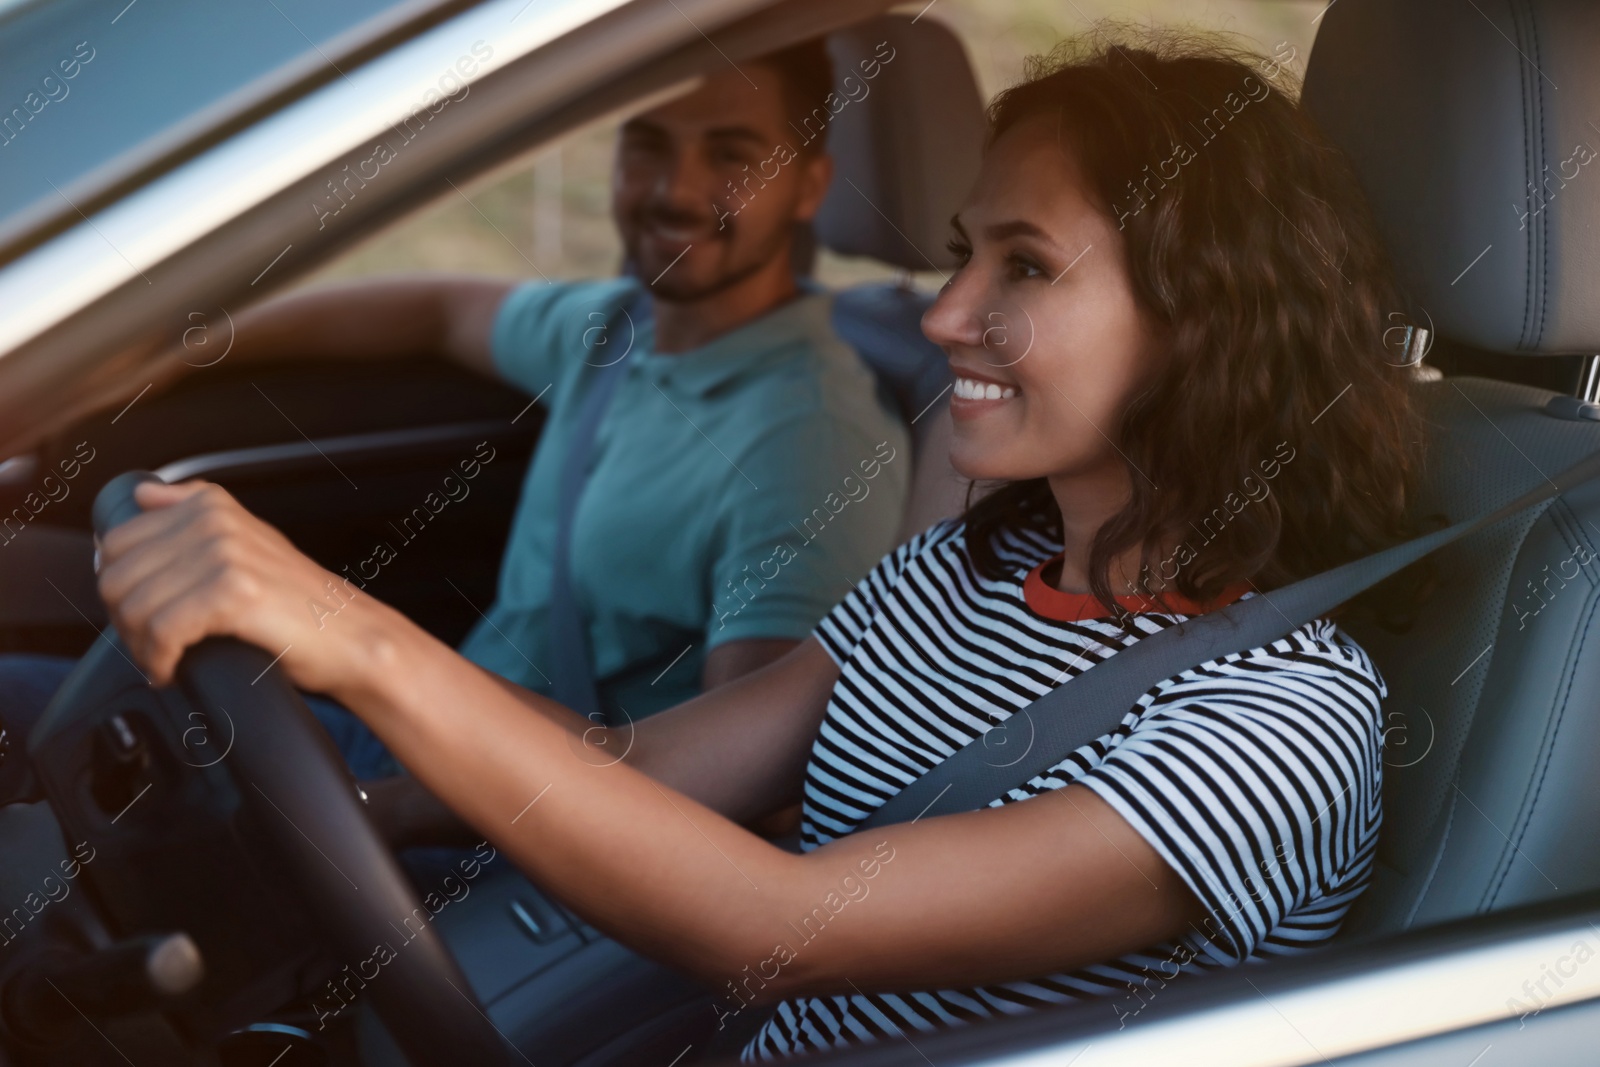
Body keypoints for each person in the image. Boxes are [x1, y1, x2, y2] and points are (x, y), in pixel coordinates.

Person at [92, 32, 1422, 1062]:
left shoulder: (1278, 721)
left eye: (1025, 268)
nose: (951, 310)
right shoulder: (959, 574)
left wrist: (359, 635)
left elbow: (778, 928)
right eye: (966, 253)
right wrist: (336, 808)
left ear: (1205, 322)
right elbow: (651, 762)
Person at [0, 39, 912, 786]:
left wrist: (386, 807)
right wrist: (158, 356)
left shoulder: (811, 444)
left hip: (487, 828)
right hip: (400, 750)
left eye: (732, 156)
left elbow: (740, 780)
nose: (673, 190)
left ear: (810, 186)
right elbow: (431, 307)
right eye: (647, 143)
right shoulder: (613, 327)